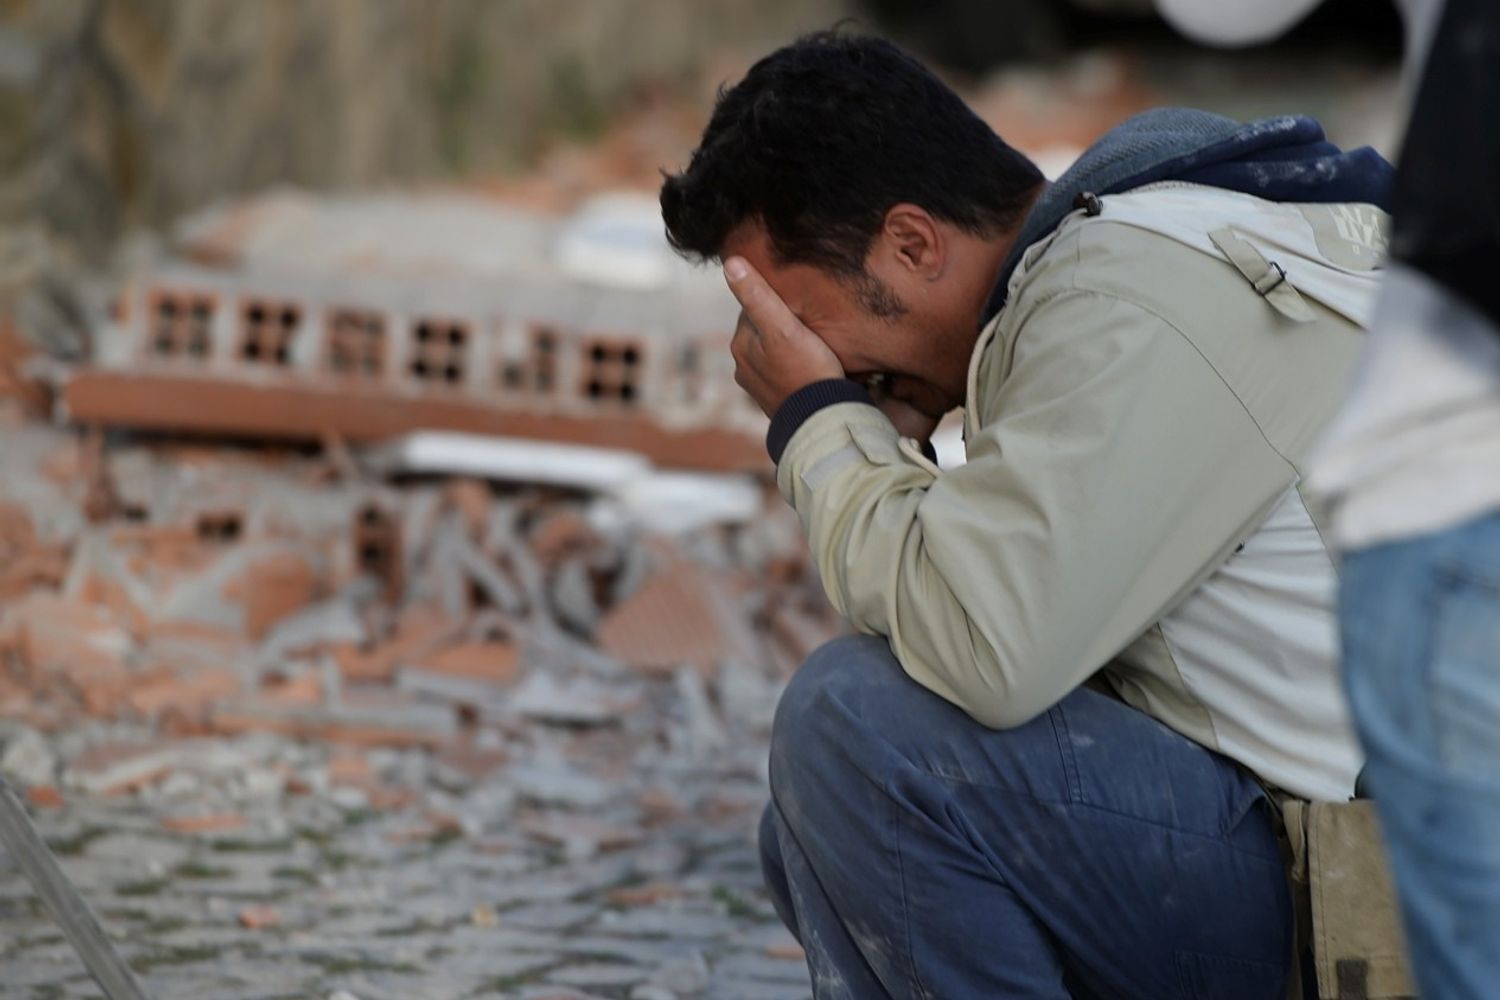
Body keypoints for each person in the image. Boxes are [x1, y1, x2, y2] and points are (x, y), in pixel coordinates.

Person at [661, 32, 1394, 998]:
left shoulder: (1129, 299)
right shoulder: (1157, 246)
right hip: (1371, 848)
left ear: (913, 244)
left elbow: (986, 653)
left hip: (1396, 894)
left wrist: (820, 423)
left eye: (799, 320)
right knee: (820, 816)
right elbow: (974, 653)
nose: (804, 355)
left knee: (853, 738)